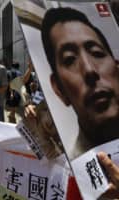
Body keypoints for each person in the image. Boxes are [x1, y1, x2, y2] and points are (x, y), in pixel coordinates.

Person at [41, 7, 119, 198]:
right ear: (58, 88)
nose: (90, 70)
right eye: (69, 60)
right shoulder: (68, 168)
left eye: (97, 53)